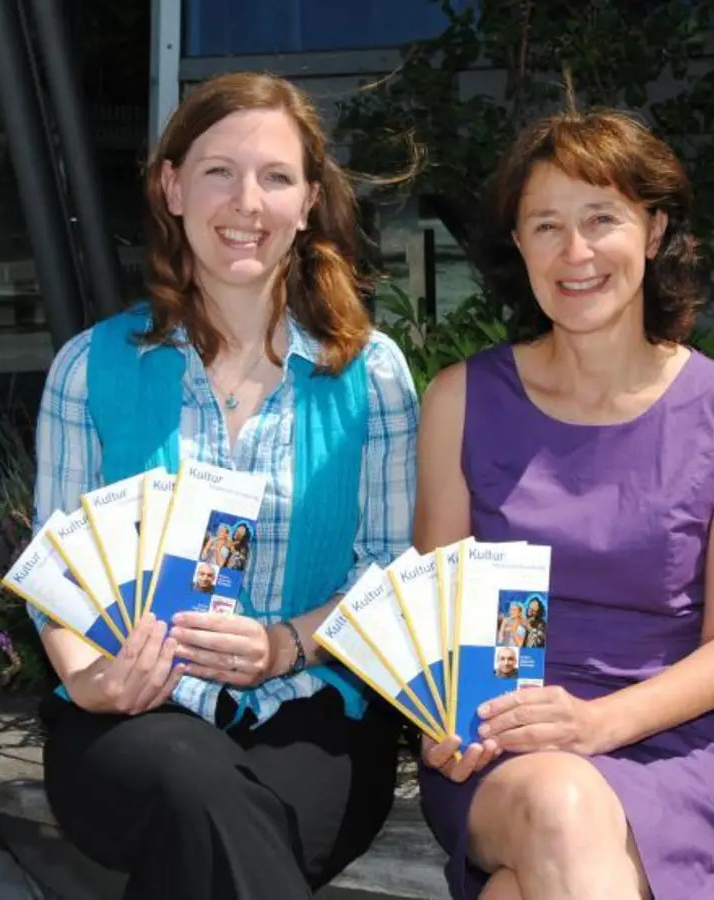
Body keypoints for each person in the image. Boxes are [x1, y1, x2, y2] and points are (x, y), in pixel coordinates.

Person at [26, 71, 420, 900]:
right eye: (218, 172)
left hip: (320, 711)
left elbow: (387, 570)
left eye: (276, 177)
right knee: (189, 784)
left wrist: (286, 644)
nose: (247, 202)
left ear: (309, 201)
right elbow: (55, 572)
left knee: (210, 840)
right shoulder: (90, 368)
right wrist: (95, 680)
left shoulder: (371, 375)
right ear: (171, 186)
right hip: (131, 715)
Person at [412, 106, 714, 900]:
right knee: (560, 803)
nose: (574, 253)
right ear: (518, 245)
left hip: (666, 743)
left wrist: (597, 724)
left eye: (601, 219)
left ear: (653, 230)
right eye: (545, 225)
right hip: (498, 741)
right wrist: (443, 715)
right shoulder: (461, 399)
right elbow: (435, 618)